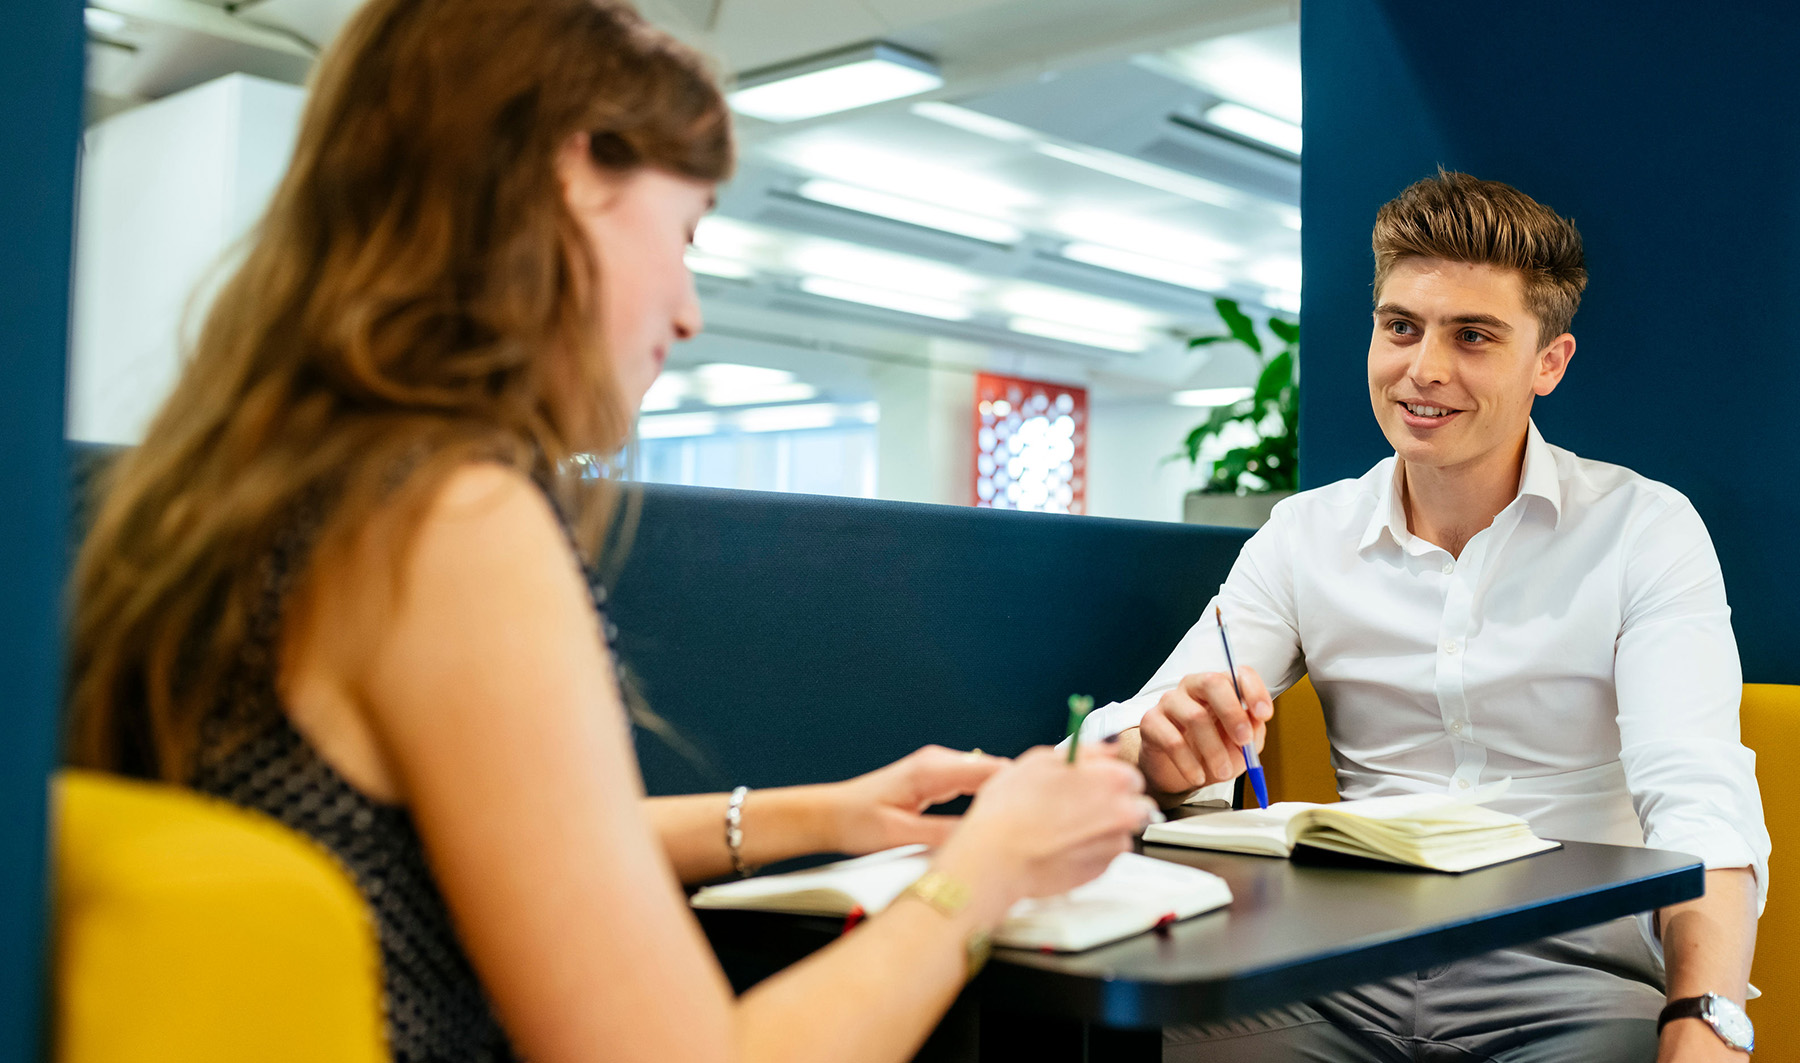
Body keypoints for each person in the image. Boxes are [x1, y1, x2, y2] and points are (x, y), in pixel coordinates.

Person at [63, 2, 1160, 1061]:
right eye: (683, 233)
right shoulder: (452, 515)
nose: (686, 309)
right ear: (570, 172)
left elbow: (446, 850)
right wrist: (987, 871)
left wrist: (818, 812)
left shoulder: (251, 489)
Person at [1083, 171, 1767, 1062]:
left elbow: (1699, 797)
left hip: (1569, 975)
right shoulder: (1304, 535)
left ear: (1548, 364)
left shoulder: (1644, 528)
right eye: (1400, 326)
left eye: (1473, 336)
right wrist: (1162, 755)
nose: (1424, 368)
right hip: (1335, 964)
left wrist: (1707, 1013)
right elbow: (1131, 734)